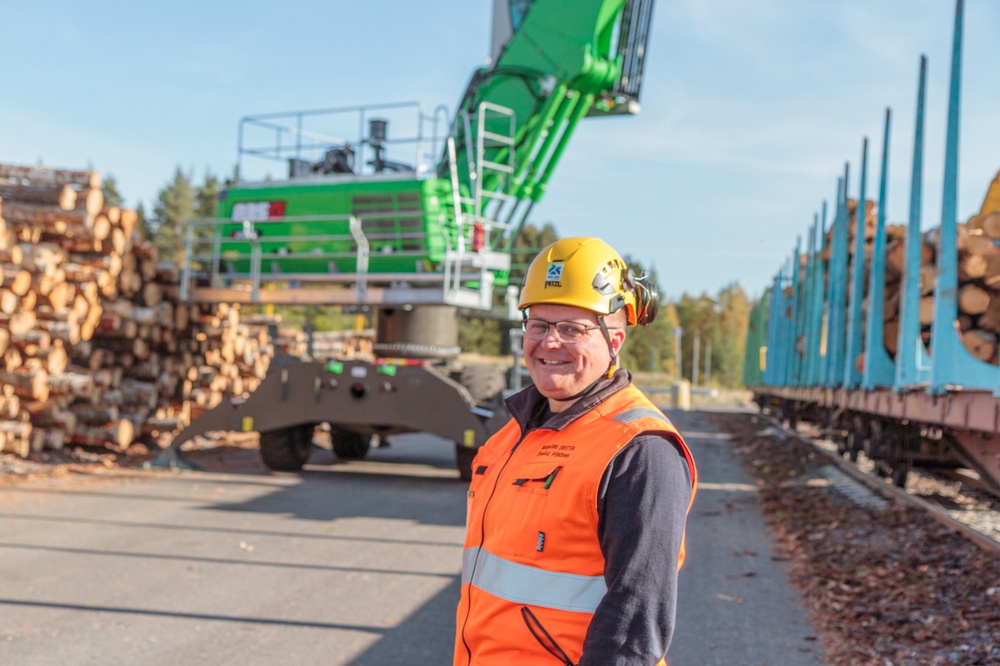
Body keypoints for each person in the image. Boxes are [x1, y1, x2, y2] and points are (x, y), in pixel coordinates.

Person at [454, 236, 697, 665]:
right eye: (540, 325)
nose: (549, 343)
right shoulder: (510, 436)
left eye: (572, 329)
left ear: (614, 340)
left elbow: (634, 632)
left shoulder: (639, 452)